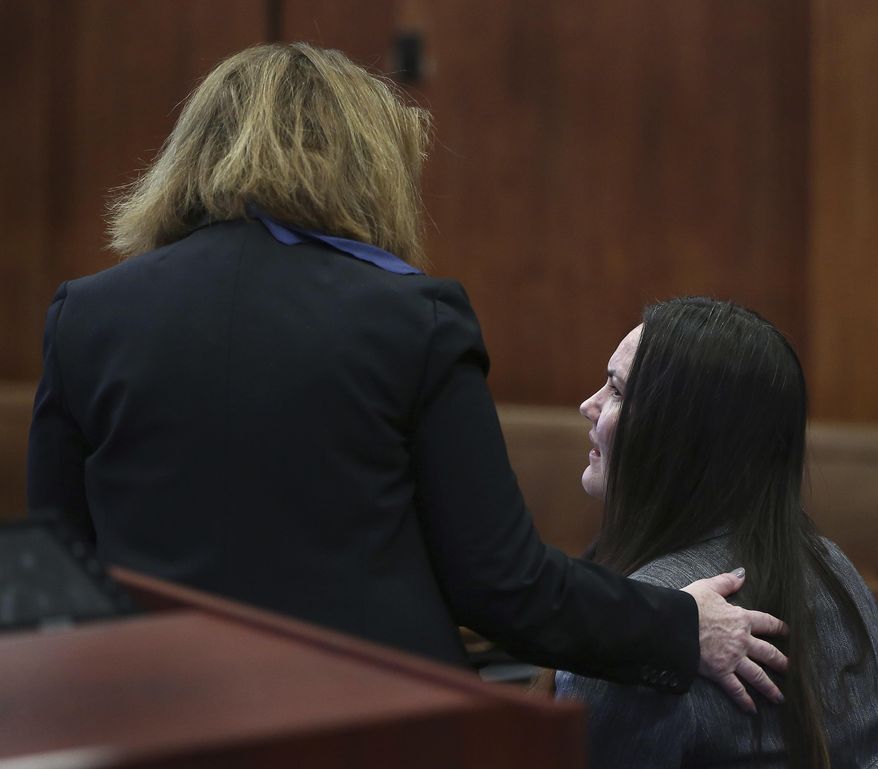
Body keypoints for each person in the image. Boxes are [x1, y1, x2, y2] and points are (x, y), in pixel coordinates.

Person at [27, 43, 785, 707]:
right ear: (364, 164)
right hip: (374, 725)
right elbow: (503, 586)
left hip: (152, 722)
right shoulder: (410, 318)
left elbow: (56, 571)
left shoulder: (86, 316)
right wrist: (681, 628)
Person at [554, 297, 878, 767]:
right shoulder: (834, 566)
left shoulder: (639, 628)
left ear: (677, 436)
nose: (589, 405)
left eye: (617, 390)